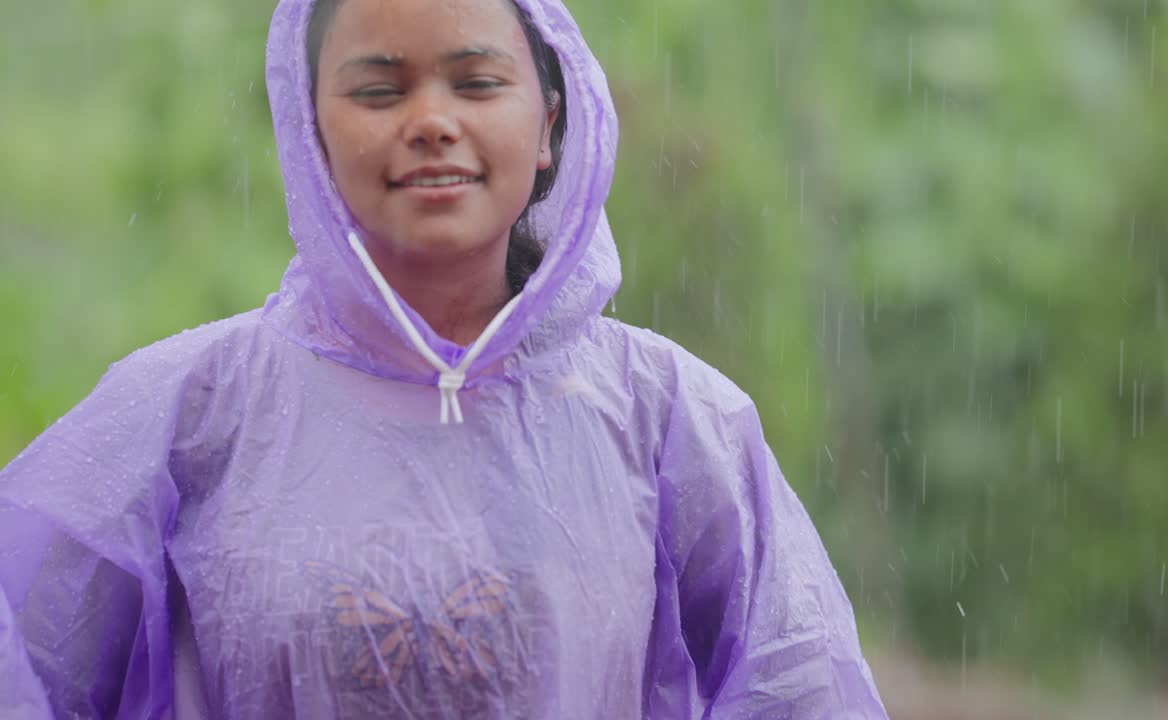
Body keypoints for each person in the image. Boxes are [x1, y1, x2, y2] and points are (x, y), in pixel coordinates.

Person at [0, 0, 890, 717]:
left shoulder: (670, 418)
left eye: (475, 81)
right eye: (380, 90)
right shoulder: (187, 409)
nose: (431, 121)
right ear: (308, 129)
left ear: (547, 123)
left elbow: (801, 681)